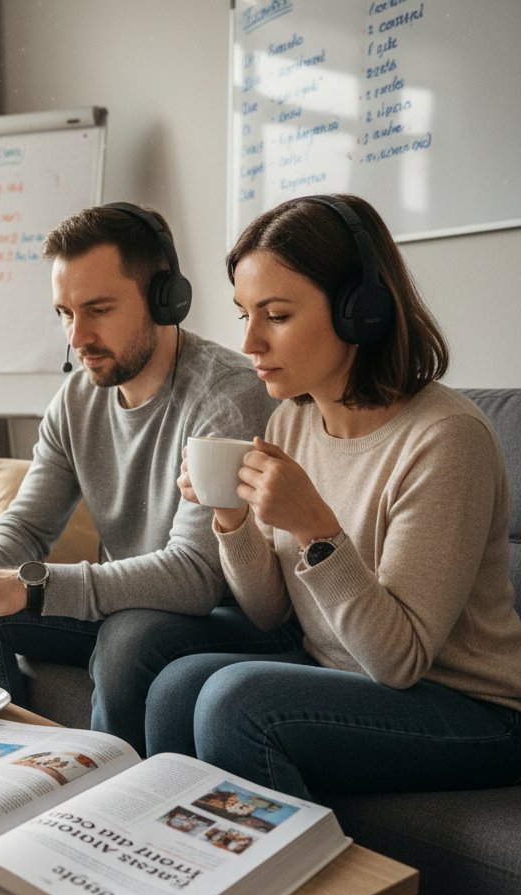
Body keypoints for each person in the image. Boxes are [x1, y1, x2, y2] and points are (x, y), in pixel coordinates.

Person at [145, 192, 521, 802]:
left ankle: (292, 891)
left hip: (473, 709)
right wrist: (234, 518)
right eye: (245, 314)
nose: (250, 344)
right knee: (176, 685)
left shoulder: (445, 440)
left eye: (277, 315)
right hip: (343, 675)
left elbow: (400, 662)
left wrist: (316, 528)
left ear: (360, 312)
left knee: (237, 702)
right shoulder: (292, 424)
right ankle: (174, 875)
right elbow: (269, 614)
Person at [0, 202, 283, 749]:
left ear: (165, 299)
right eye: (64, 312)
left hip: (224, 615)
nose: (77, 337)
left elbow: (197, 575)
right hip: (130, 600)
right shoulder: (77, 397)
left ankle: (114, 805)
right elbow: (28, 525)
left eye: (98, 310)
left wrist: (25, 587)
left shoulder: (225, 396)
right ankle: (7, 778)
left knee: (128, 639)